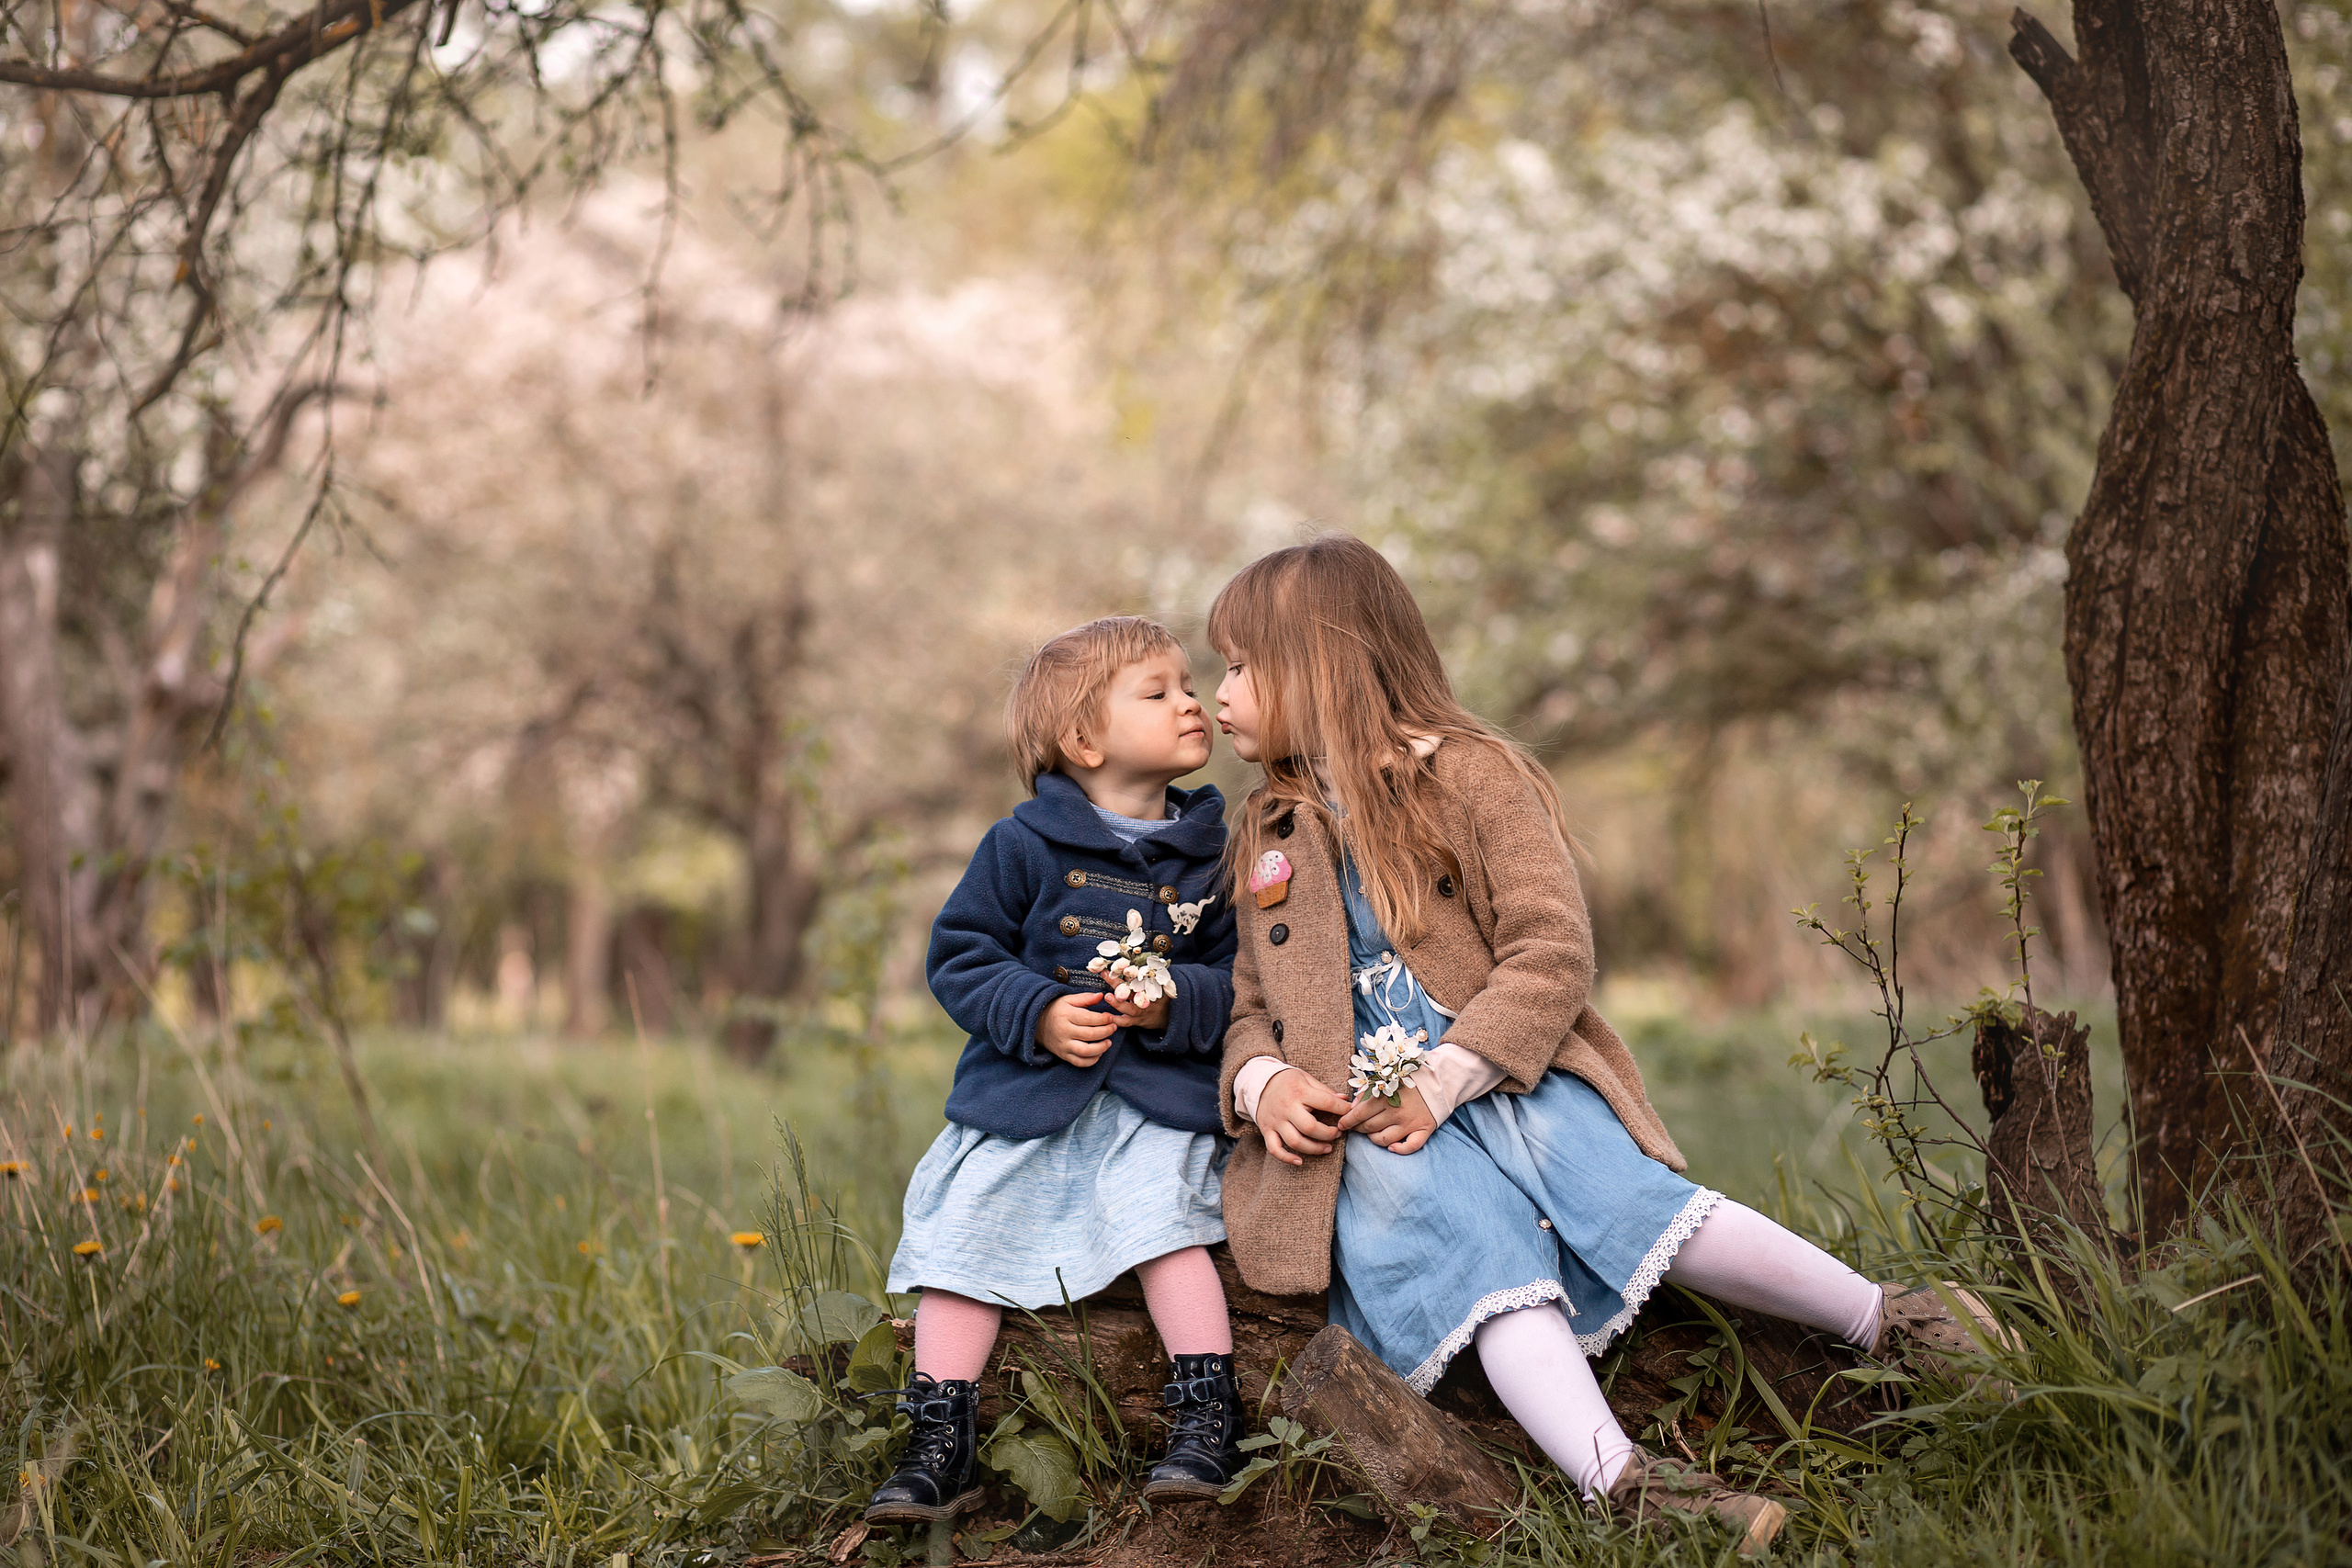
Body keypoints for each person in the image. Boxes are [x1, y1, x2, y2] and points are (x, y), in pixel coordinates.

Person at [1208, 536, 2007, 1555]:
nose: (1221, 691)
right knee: (1457, 1238)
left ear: (1319, 662)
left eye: (1241, 665)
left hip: (1499, 1070)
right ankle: (1621, 1482)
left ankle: (1892, 1320)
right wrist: (1266, 1082)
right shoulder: (1266, 828)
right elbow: (1245, 1005)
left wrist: (1451, 1076)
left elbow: (1551, 952)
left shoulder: (1469, 775)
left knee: (1608, 1182)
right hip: (1367, 1122)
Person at [868, 615, 1247, 1526]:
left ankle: (1205, 1415)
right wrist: (1036, 1012)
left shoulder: (1216, 857)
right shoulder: (1022, 846)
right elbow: (960, 956)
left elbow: (1242, 980)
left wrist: (1172, 1004)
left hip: (1153, 1099)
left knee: (1168, 1225)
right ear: (1084, 740)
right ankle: (938, 1436)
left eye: (1188, 685)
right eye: (1156, 693)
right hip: (1033, 1092)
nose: (1190, 701)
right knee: (966, 1235)